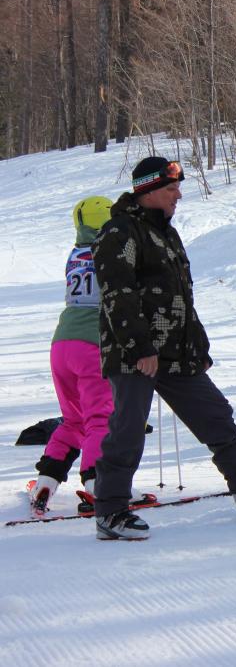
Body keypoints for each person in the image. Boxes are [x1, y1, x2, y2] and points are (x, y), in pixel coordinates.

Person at [91, 157, 236, 540]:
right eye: (171, 189)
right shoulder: (120, 232)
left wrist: (197, 347)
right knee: (128, 430)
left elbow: (180, 299)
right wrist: (140, 346)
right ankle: (110, 511)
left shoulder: (165, 233)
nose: (178, 195)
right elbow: (117, 295)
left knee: (215, 415)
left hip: (175, 353)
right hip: (134, 353)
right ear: (148, 191)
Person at [28, 197, 116, 517]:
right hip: (92, 345)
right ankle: (98, 482)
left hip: (62, 343)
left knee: (74, 420)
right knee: (100, 418)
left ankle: (45, 481)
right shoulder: (109, 252)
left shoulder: (75, 253)